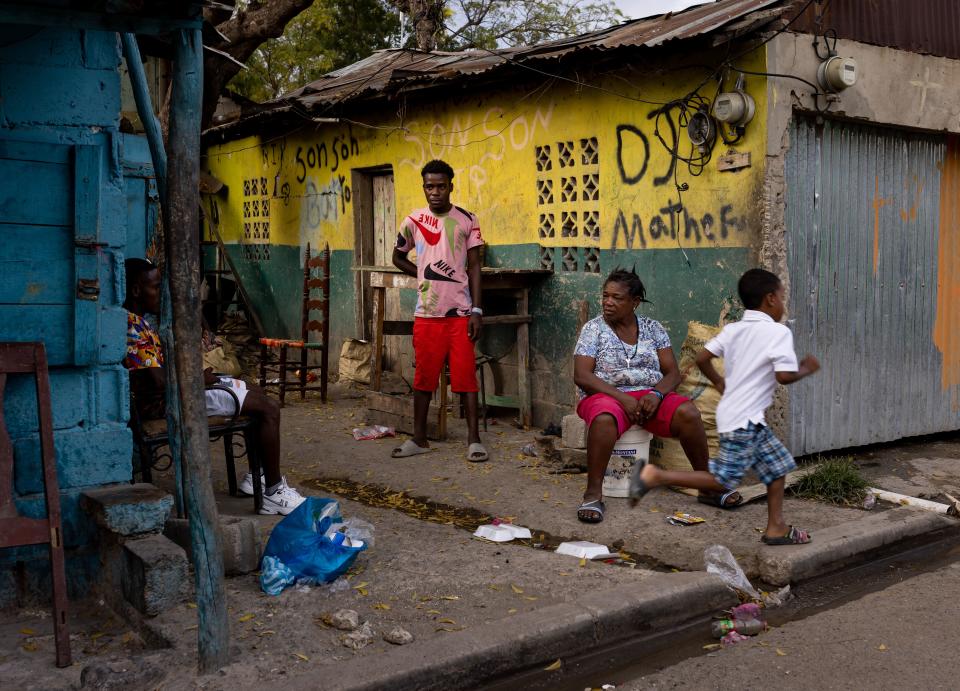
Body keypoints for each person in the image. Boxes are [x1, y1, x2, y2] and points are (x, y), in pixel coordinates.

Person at [629, 268, 820, 545]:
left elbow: (703, 357)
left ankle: (776, 527)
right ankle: (656, 475)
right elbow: (783, 376)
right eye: (781, 297)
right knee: (722, 480)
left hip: (737, 413)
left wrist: (720, 383)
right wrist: (805, 368)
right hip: (745, 420)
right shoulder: (778, 333)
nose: (782, 303)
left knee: (777, 467)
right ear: (769, 299)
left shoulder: (734, 329)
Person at [123, 258, 307, 516]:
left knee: (255, 391)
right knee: (269, 408)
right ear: (135, 290)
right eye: (155, 287)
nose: (160, 294)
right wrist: (198, 380)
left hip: (177, 391)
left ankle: (258, 476)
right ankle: (274, 492)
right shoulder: (132, 327)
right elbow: (159, 382)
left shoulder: (139, 322)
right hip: (169, 400)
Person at [573, 268, 739, 523]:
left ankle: (707, 486)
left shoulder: (653, 329)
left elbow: (672, 373)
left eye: (617, 298)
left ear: (635, 302)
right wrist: (622, 398)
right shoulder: (593, 330)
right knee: (605, 418)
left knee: (688, 412)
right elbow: (583, 376)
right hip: (603, 394)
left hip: (649, 396)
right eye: (605, 296)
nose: (608, 302)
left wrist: (657, 394)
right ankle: (593, 494)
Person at [390, 159, 489, 462]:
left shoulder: (466, 220)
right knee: (424, 378)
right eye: (429, 186)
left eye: (440, 186)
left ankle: (474, 440)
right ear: (424, 187)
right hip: (427, 314)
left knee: (465, 378)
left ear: (450, 187)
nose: (435, 191)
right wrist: (421, 273)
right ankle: (419, 439)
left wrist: (476, 310)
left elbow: (474, 267)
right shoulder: (413, 220)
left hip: (459, 313)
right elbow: (397, 256)